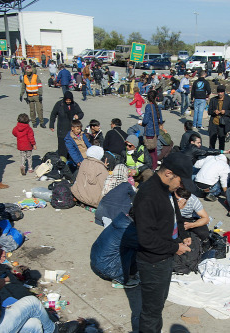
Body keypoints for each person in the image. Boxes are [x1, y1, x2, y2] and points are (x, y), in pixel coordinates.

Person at [134, 152, 192, 333]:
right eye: (180, 182)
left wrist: (182, 235)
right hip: (153, 262)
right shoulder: (148, 195)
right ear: (168, 173)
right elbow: (146, 239)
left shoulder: (166, 189)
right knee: (152, 311)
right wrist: (176, 247)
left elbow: (175, 214)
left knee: (158, 303)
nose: (180, 186)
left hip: (165, 257)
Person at [90, 212, 140, 288]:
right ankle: (120, 278)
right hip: (107, 270)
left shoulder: (122, 220)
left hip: (96, 262)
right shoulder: (130, 230)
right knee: (140, 249)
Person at [50, 91, 84, 158]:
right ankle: (62, 160)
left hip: (72, 130)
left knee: (72, 146)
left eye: (69, 100)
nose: (68, 101)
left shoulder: (74, 105)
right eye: (67, 100)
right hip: (62, 129)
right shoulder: (59, 104)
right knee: (62, 146)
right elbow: (53, 114)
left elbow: (81, 113)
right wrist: (51, 125)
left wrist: (78, 116)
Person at [207, 85, 230, 150]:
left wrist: (225, 112)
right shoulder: (213, 100)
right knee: (212, 141)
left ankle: (220, 155)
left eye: (221, 92)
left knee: (222, 141)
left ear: (224, 92)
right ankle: (211, 153)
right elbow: (209, 111)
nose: (220, 94)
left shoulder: (229, 100)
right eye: (218, 92)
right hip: (214, 123)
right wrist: (214, 111)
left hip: (223, 124)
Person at [142, 90, 163, 170]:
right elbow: (160, 120)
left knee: (150, 150)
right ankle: (154, 165)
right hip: (156, 131)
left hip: (149, 131)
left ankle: (152, 166)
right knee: (154, 149)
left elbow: (145, 120)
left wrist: (142, 123)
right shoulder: (157, 107)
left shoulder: (148, 106)